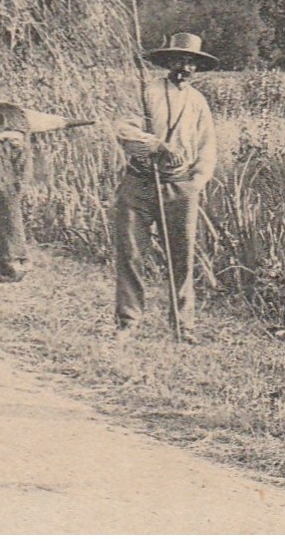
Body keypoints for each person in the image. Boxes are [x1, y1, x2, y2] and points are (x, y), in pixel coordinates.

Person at [113, 32, 218, 340]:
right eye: (179, 60)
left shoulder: (198, 102)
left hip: (179, 186)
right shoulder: (146, 92)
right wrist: (155, 144)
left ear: (196, 68)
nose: (184, 67)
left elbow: (207, 146)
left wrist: (196, 182)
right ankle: (128, 321)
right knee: (131, 252)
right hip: (139, 183)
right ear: (168, 62)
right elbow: (123, 130)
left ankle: (183, 326)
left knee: (182, 256)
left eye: (191, 63)